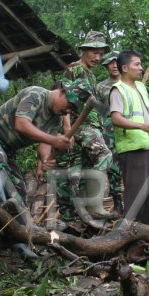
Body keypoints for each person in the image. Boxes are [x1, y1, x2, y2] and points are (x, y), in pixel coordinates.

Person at [0, 80, 90, 217]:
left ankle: (16, 232)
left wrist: (45, 159)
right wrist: (55, 140)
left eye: (72, 110)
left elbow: (44, 145)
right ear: (62, 92)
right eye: (70, 105)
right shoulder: (35, 94)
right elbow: (21, 124)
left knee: (19, 197)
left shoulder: (56, 119)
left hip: (7, 151)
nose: (67, 111)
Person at [57, 30, 118, 221]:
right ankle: (91, 207)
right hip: (80, 127)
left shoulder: (91, 76)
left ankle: (86, 213)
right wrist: (67, 128)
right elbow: (62, 98)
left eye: (101, 53)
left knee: (78, 172)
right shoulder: (73, 69)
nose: (98, 57)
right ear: (84, 51)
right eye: (94, 52)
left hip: (92, 126)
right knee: (104, 155)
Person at [109, 49, 149, 226]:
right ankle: (130, 235)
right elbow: (116, 118)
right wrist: (144, 127)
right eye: (137, 64)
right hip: (131, 149)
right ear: (125, 67)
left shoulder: (141, 87)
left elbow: (147, 116)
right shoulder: (118, 90)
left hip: (148, 145)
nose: (141, 68)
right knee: (136, 194)